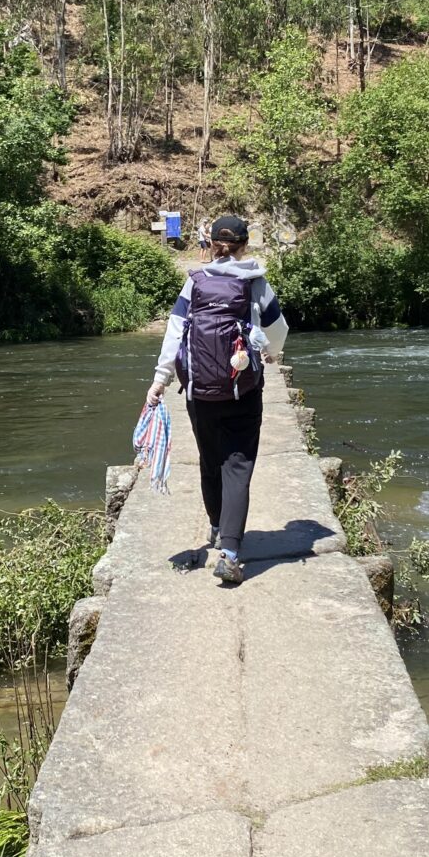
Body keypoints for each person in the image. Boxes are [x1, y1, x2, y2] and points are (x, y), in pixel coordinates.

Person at [145, 215, 288, 584]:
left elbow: (175, 333)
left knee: (211, 461)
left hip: (199, 391)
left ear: (210, 243)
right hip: (243, 390)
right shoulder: (255, 281)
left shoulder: (195, 282)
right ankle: (230, 552)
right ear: (245, 245)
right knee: (237, 466)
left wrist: (160, 380)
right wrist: (272, 354)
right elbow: (278, 328)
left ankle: (215, 526)